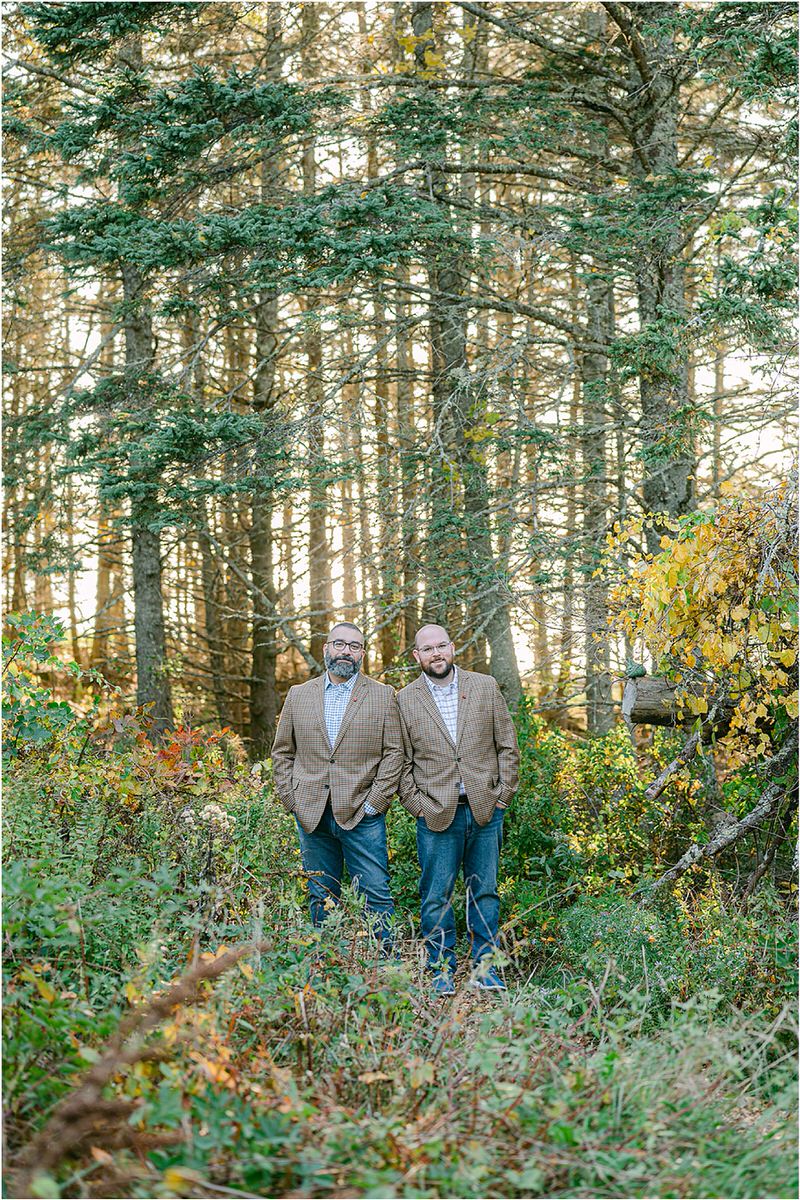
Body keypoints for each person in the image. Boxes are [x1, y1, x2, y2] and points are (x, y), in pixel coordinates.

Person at [397, 624, 520, 994]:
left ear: (452, 648)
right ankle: (440, 970)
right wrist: (416, 805)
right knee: (436, 894)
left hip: (485, 810)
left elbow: (508, 747)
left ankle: (487, 969)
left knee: (485, 892)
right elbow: (400, 762)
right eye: (427, 649)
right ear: (417, 656)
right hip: (436, 813)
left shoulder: (484, 686)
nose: (436, 654)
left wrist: (503, 796)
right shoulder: (404, 700)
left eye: (441, 646)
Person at [272, 622, 403, 947]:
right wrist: (292, 801)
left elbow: (394, 753)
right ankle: (327, 965)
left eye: (354, 646)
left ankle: (385, 969)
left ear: (362, 653)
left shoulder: (383, 695)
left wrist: (375, 803)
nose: (346, 651)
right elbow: (282, 752)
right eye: (340, 644)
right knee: (320, 893)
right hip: (311, 815)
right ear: (326, 649)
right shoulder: (298, 695)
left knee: (375, 892)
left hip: (362, 815)